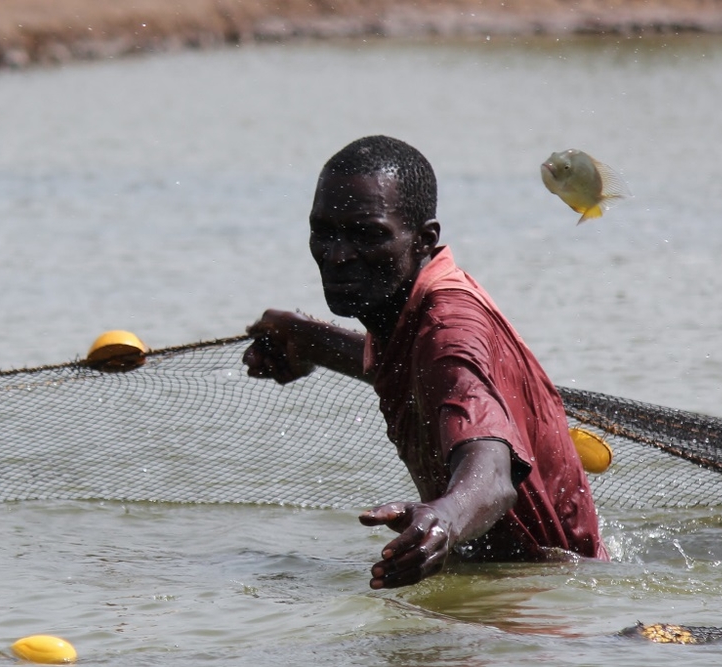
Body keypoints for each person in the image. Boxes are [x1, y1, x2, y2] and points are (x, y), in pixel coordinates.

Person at [243, 135, 607, 590]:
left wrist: (444, 518)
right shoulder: (408, 308)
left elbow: (492, 471)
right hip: (523, 589)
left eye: (368, 234)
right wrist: (306, 339)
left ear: (423, 239)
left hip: (543, 603)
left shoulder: (448, 329)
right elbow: (415, 373)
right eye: (324, 230)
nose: (337, 255)